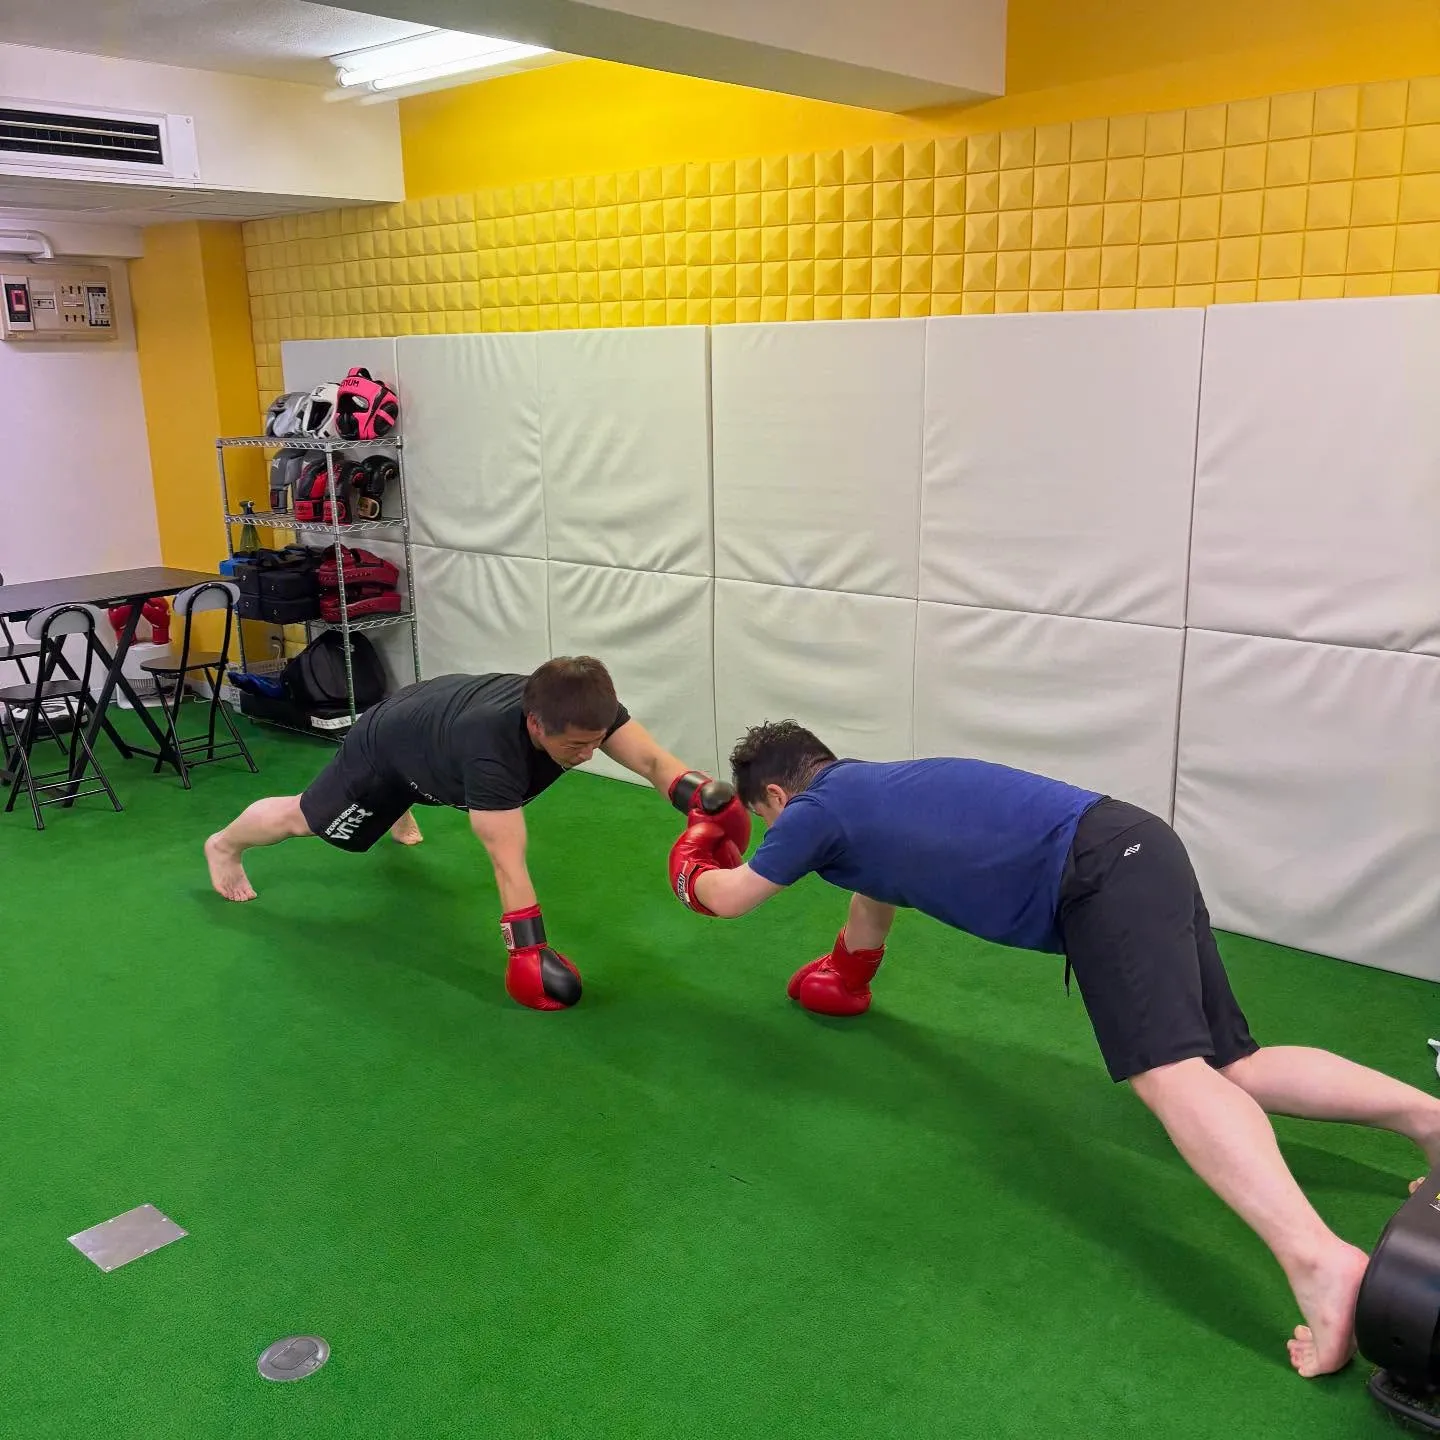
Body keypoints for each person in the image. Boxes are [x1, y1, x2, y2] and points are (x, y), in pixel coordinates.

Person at [666, 719, 1440, 1379]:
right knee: (1233, 1065)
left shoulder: (814, 810)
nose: (779, 834)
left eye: (769, 821)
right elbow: (876, 894)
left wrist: (693, 865)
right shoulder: (874, 791)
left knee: (1169, 1074)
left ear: (777, 797)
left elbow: (730, 899)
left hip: (1097, 877)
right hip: (1139, 843)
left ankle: (1320, 1262)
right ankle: (1430, 1122)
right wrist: (848, 971)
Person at [205, 656, 748, 1010]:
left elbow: (652, 761)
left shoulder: (581, 706)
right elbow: (507, 861)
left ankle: (400, 810)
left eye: (595, 742)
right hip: (387, 749)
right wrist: (529, 953)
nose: (587, 755)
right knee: (307, 819)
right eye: (575, 747)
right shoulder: (492, 756)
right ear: (535, 723)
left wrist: (701, 797)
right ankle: (225, 845)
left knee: (428, 775)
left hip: (432, 725)